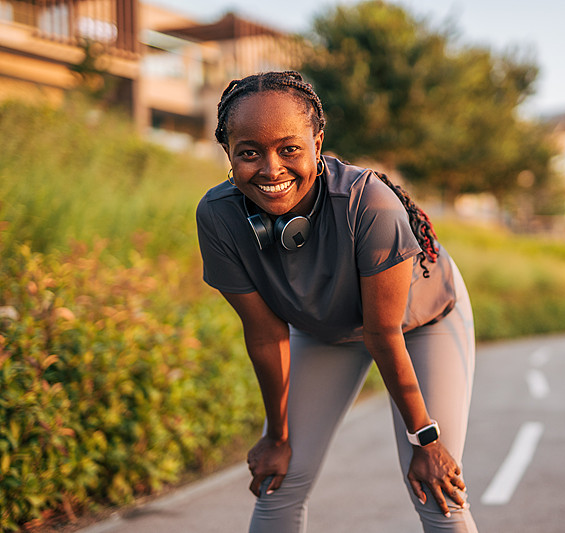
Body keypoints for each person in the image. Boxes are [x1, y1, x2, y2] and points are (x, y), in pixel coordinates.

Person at [196, 70, 478, 533]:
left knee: (434, 488)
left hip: (420, 324)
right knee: (278, 483)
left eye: (289, 149)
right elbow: (266, 334)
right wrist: (277, 434)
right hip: (327, 330)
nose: (271, 169)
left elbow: (383, 333)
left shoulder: (369, 205)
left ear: (318, 143)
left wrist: (425, 440)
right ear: (228, 153)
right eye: (249, 153)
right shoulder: (219, 218)